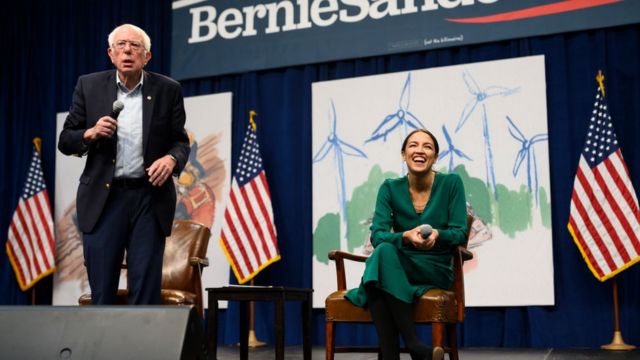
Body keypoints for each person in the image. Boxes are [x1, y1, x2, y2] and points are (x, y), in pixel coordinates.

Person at [58, 24, 190, 305]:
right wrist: (89, 133)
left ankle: (140, 349)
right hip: (104, 200)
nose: (127, 50)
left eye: (135, 46)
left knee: (145, 288)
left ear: (147, 56)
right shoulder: (89, 86)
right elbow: (66, 140)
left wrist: (171, 159)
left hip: (149, 199)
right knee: (102, 289)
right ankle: (103, 349)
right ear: (110, 53)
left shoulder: (168, 90)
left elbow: (180, 142)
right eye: (121, 45)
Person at [345, 129, 468, 360]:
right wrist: (405, 237)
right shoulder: (390, 188)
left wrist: (438, 235)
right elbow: (378, 235)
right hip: (400, 267)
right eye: (413, 145)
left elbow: (460, 233)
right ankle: (412, 345)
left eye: (427, 146)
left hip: (435, 268)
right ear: (404, 154)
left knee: (377, 273)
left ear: (435, 157)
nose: (420, 150)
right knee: (383, 251)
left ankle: (401, 350)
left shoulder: (451, 183)